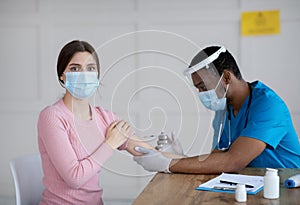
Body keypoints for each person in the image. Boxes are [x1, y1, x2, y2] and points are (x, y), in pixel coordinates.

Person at [133, 45, 300, 174]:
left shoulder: (268, 106)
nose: (201, 94)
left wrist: (168, 164)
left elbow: (232, 161)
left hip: (287, 186)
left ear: (226, 77)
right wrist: (178, 157)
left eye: (203, 86)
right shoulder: (224, 110)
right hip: (254, 184)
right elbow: (217, 158)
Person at [37, 40, 157, 205]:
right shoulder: (52, 117)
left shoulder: (104, 117)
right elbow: (75, 178)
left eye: (90, 68)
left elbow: (147, 153)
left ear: (97, 75)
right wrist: (110, 143)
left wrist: (174, 156)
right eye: (74, 68)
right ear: (62, 75)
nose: (84, 74)